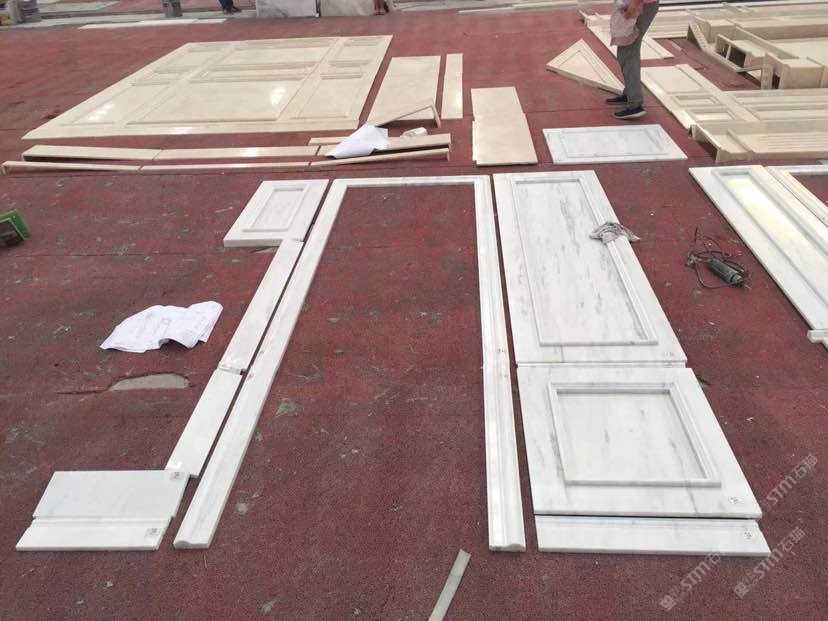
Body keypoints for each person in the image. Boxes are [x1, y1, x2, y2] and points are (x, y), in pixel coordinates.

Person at [607, 0, 659, 120]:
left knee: (628, 52)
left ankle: (635, 104)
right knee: (627, 50)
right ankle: (630, 94)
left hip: (639, 4)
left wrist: (633, 6)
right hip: (635, 4)